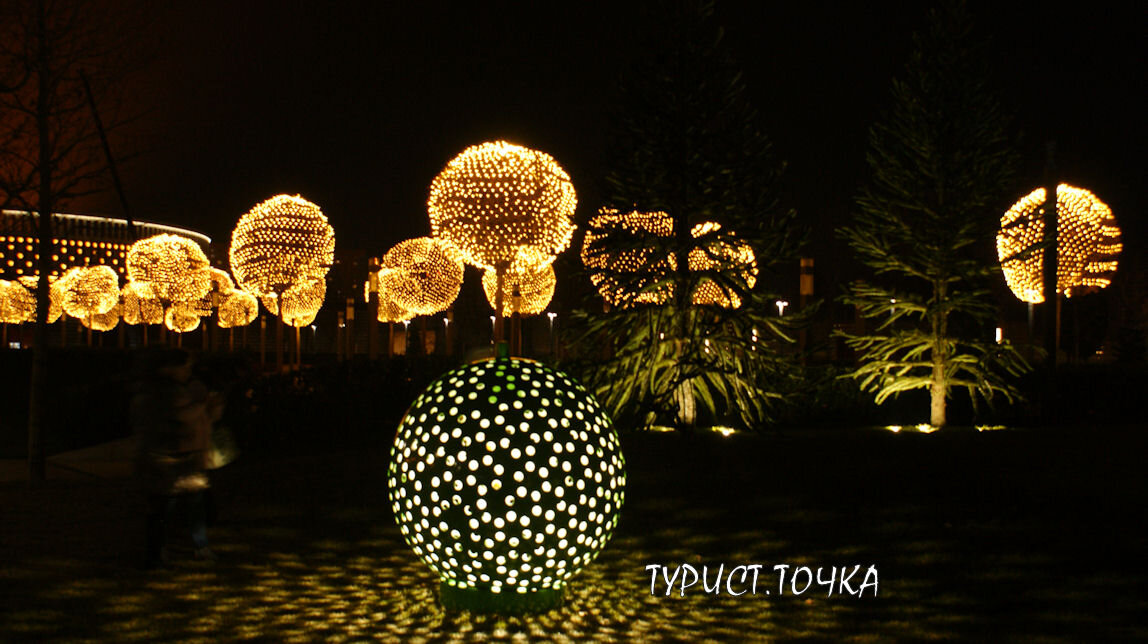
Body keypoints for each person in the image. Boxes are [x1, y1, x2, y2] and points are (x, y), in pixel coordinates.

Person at [131, 348, 216, 568]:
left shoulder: (174, 391)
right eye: (184, 366)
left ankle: (189, 547)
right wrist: (202, 407)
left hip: (184, 459)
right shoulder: (162, 394)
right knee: (165, 508)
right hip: (170, 461)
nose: (188, 370)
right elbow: (180, 417)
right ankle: (160, 551)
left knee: (185, 507)